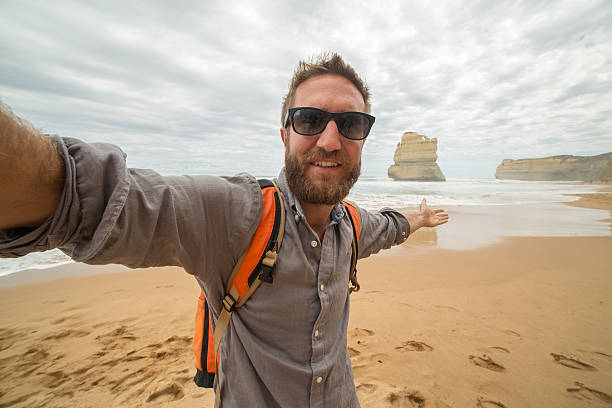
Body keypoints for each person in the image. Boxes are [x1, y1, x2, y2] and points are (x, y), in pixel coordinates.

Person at [0, 53, 448, 407]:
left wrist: (420, 218)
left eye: (350, 124)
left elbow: (389, 227)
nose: (330, 141)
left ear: (363, 139)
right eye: (309, 120)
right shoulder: (238, 215)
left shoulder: (350, 224)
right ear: (284, 135)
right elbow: (95, 201)